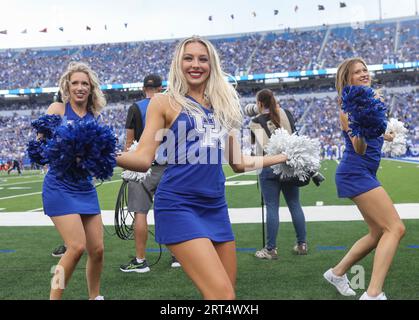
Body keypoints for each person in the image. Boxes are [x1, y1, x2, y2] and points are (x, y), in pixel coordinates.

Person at [116, 36, 288, 299]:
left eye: (202, 59)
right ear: (178, 63)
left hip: (215, 206)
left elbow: (239, 163)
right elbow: (142, 159)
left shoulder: (224, 105)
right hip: (178, 205)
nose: (195, 64)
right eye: (188, 58)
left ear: (212, 64)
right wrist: (98, 153)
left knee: (226, 295)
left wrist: (280, 157)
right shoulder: (163, 102)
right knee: (222, 296)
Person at [323, 57, 405, 300]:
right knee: (396, 228)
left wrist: (387, 135)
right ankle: (373, 294)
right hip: (354, 172)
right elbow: (359, 148)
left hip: (366, 172)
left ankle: (337, 273)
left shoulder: (373, 100)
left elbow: (377, 130)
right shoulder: (347, 110)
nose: (363, 74)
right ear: (347, 79)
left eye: (365, 70)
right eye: (357, 72)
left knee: (378, 233)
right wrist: (360, 124)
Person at [41, 61, 106, 300]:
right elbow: (41, 145)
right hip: (59, 185)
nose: (80, 87)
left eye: (84, 84)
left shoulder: (94, 117)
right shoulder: (57, 109)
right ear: (68, 86)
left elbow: (99, 154)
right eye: (75, 82)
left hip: (84, 187)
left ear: (91, 88)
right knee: (76, 247)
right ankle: (54, 297)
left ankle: (95, 296)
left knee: (97, 250)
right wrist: (65, 148)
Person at [119, 74, 180, 272]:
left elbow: (129, 143)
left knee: (140, 213)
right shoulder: (170, 104)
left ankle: (140, 260)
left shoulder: (136, 107)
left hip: (142, 167)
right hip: (168, 165)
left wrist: (128, 165)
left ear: (143, 87)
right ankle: (176, 256)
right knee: (172, 212)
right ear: (161, 88)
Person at [249, 89, 308, 259]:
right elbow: (295, 136)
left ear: (260, 103)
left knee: (272, 207)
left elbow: (258, 147)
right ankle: (302, 244)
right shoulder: (286, 113)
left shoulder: (255, 122)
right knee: (295, 204)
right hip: (289, 164)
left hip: (268, 166)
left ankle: (271, 249)